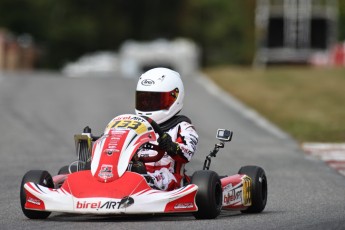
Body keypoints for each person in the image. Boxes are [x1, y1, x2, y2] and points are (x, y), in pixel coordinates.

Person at [135, 67, 198, 191]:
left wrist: (170, 146)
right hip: (135, 172)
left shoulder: (183, 127)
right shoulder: (135, 125)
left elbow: (187, 153)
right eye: (144, 100)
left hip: (169, 178)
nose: (148, 104)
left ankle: (146, 184)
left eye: (154, 100)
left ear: (174, 97)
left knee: (162, 175)